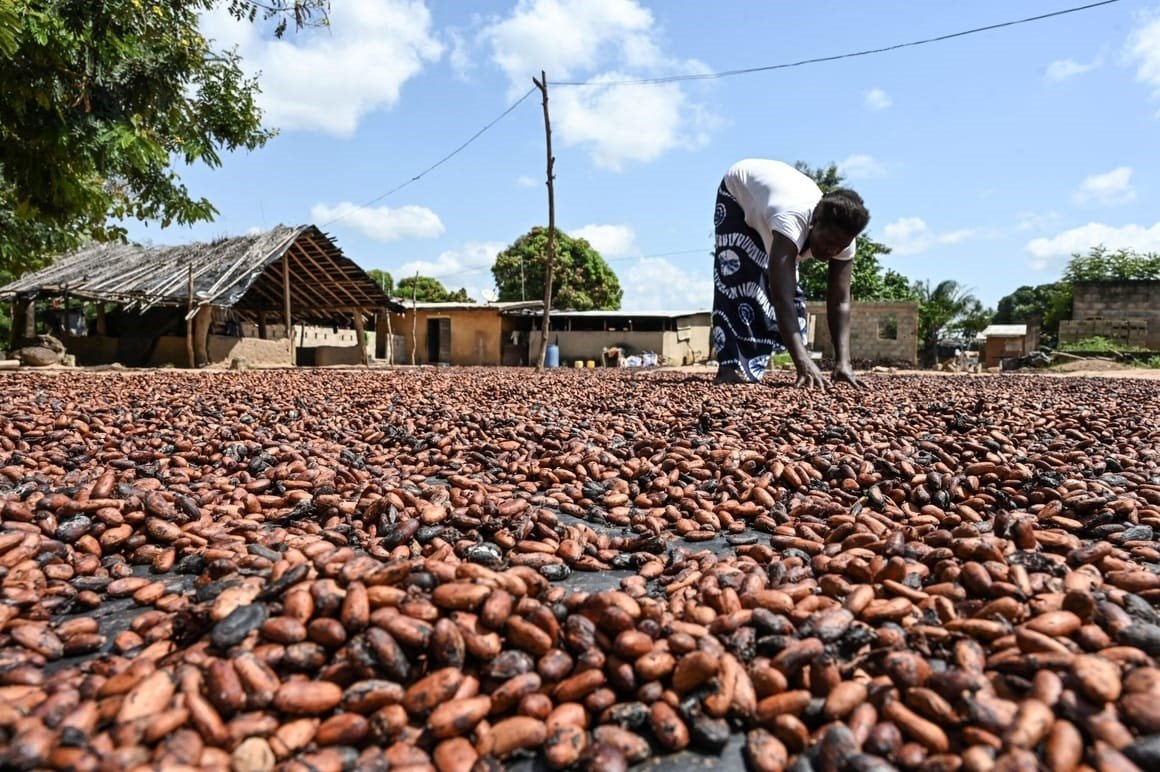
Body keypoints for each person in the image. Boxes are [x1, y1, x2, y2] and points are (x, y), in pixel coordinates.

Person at [711, 158, 870, 388]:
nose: (831, 251)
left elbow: (840, 301)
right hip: (738, 192)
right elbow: (780, 296)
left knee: (789, 289)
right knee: (736, 277)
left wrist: (843, 361)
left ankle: (762, 363)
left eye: (839, 246)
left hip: (775, 201)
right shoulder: (792, 220)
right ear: (814, 223)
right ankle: (728, 367)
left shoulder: (845, 240)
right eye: (827, 242)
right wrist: (802, 361)